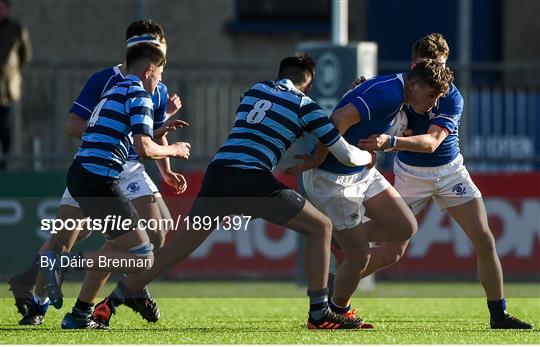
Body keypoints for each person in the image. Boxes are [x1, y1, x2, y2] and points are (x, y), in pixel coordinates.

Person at [93, 53, 375, 330]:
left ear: (280, 75)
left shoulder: (254, 91)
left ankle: (111, 301)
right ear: (309, 86)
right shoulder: (305, 105)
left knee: (177, 250)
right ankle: (319, 314)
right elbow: (346, 154)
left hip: (218, 175)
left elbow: (262, 126)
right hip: (250, 179)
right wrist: (369, 156)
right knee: (321, 228)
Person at [9, 20, 187, 328]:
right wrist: (170, 150)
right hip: (102, 170)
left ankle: (85, 308)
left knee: (153, 233)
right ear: (148, 58)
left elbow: (145, 136)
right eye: (159, 55)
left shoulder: (142, 88)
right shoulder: (112, 81)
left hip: (112, 168)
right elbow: (134, 141)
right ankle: (41, 300)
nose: (162, 62)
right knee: (72, 239)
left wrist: (165, 165)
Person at [352, 33, 532, 330]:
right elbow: (366, 117)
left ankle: (498, 314)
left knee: (484, 239)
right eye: (430, 68)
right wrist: (364, 96)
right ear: (414, 66)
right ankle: (333, 290)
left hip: (449, 172)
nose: (439, 77)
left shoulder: (451, 95)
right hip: (411, 175)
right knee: (391, 251)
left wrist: (392, 140)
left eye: (442, 68)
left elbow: (433, 141)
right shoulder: (396, 89)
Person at [285, 60, 453, 326]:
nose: (433, 104)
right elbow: (338, 119)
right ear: (412, 84)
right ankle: (336, 312)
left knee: (404, 227)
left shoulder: (398, 91)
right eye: (431, 95)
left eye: (438, 97)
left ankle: (342, 238)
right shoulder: (389, 94)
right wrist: (318, 158)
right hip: (333, 179)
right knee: (360, 255)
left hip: (361, 170)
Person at [0, 0, 31, 169]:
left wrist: (12, 72)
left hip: (6, 90)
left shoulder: (16, 28)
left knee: (5, 126)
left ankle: (4, 163)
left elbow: (25, 54)